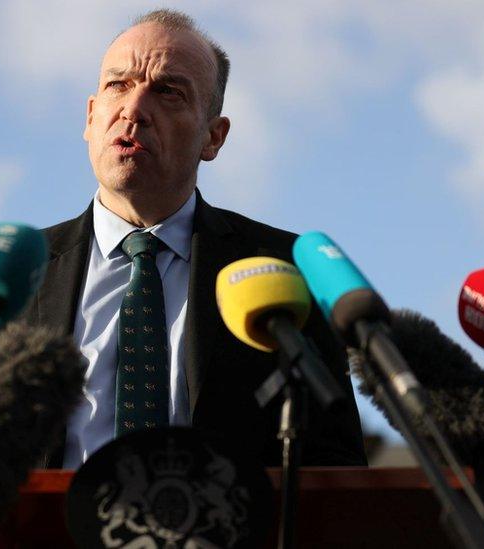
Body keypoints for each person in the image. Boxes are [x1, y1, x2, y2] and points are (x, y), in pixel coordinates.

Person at [23, 9, 366, 469]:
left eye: (167, 91)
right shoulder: (17, 273)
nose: (133, 110)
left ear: (213, 137)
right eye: (117, 85)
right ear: (90, 117)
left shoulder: (285, 271)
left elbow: (334, 466)